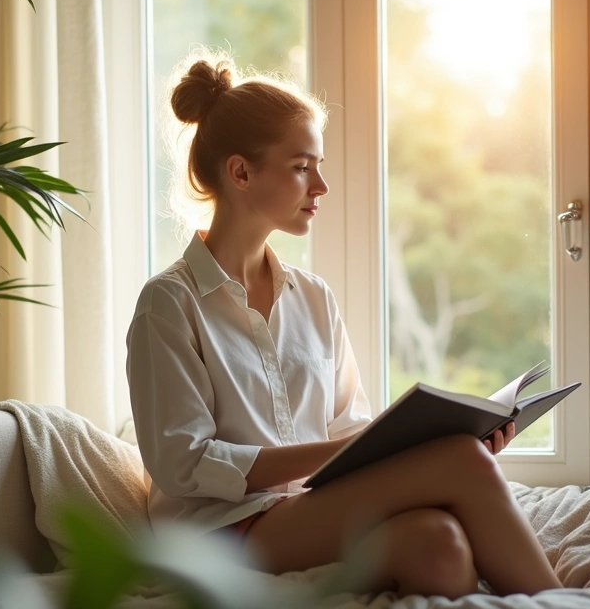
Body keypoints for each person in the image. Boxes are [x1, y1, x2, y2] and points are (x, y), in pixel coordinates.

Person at [126, 52, 562, 599]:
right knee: (460, 460)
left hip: (306, 515)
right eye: (303, 166)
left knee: (440, 544)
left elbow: (346, 430)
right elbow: (184, 465)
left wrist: (405, 449)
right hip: (219, 533)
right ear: (241, 172)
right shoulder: (168, 304)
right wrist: (399, 457)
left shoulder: (313, 297)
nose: (322, 186)